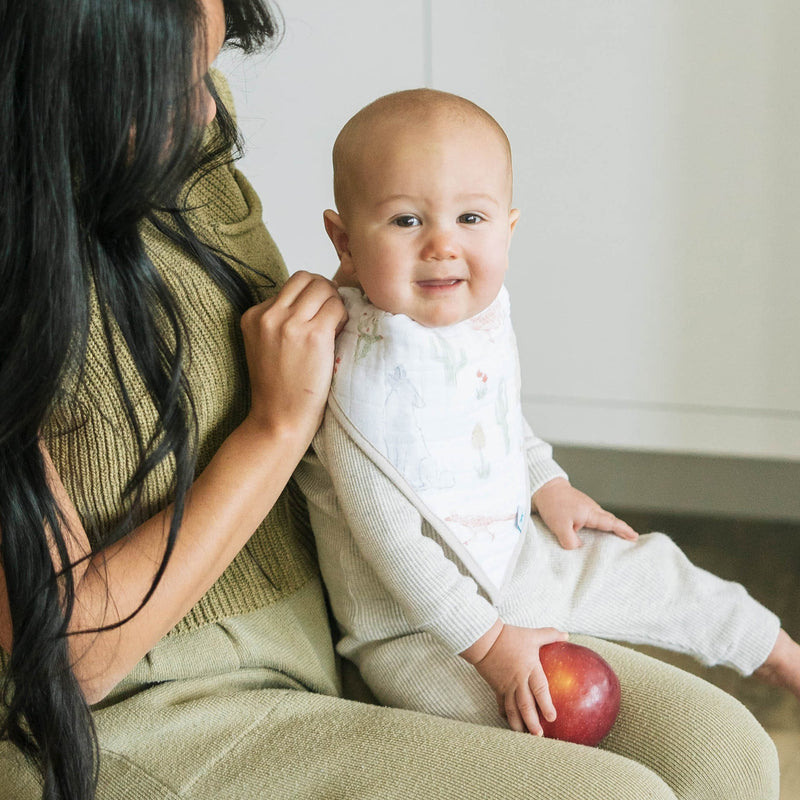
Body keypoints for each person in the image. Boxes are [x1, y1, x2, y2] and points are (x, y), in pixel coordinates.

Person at [0, 2, 781, 798]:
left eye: (211, 64)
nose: (207, 108)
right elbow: (72, 657)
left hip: (334, 615)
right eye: (174, 80)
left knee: (722, 755)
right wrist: (276, 429)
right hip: (155, 706)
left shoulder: (183, 129)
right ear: (56, 69)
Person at [299, 84, 800, 773]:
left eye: (470, 217)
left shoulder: (471, 320)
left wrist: (547, 482)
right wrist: (489, 645)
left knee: (650, 567)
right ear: (344, 241)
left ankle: (774, 650)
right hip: (417, 626)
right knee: (521, 732)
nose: (443, 244)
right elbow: (392, 544)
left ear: (507, 229)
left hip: (516, 555)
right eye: (407, 220)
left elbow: (496, 417)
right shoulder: (354, 376)